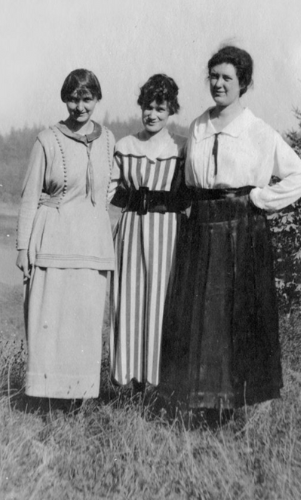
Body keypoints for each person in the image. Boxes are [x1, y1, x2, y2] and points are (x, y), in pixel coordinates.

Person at [157, 46, 301, 422]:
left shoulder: (258, 131)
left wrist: (261, 198)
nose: (218, 83)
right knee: (198, 315)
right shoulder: (197, 126)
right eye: (214, 76)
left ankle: (229, 408)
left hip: (242, 230)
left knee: (233, 317)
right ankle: (199, 403)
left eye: (227, 77)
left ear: (243, 83)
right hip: (201, 227)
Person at [16, 69, 117, 401]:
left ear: (97, 100)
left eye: (87, 98)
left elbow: (109, 188)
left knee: (84, 323)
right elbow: (30, 195)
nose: (80, 106)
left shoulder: (109, 140)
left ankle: (81, 397)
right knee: (50, 321)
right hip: (53, 242)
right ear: (65, 99)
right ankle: (44, 397)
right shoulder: (47, 139)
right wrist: (22, 247)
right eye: (73, 98)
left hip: (92, 246)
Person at [110, 74, 188, 390]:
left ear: (171, 111)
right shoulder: (125, 146)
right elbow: (109, 191)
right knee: (128, 300)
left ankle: (159, 380)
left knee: (161, 301)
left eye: (160, 108)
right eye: (148, 107)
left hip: (167, 231)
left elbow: (189, 193)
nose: (152, 115)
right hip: (130, 229)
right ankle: (129, 379)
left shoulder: (180, 147)